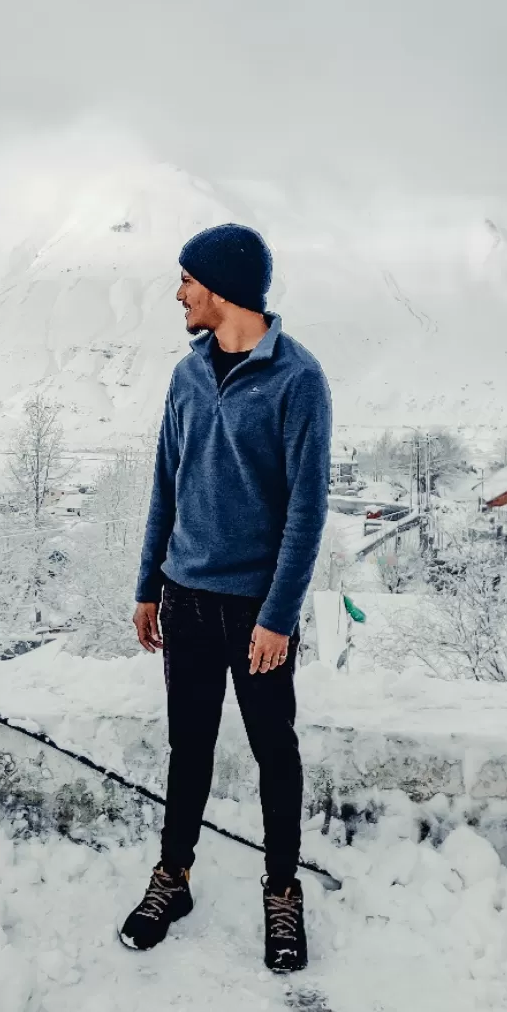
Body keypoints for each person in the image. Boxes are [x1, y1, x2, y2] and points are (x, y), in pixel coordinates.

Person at [120, 222, 332, 972]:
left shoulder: (297, 379)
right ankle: (172, 878)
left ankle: (281, 891)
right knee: (190, 748)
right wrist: (149, 584)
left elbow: (307, 510)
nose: (178, 293)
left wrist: (277, 615)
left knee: (276, 752)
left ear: (222, 287)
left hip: (254, 613)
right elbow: (164, 485)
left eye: (186, 280)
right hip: (185, 600)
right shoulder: (186, 375)